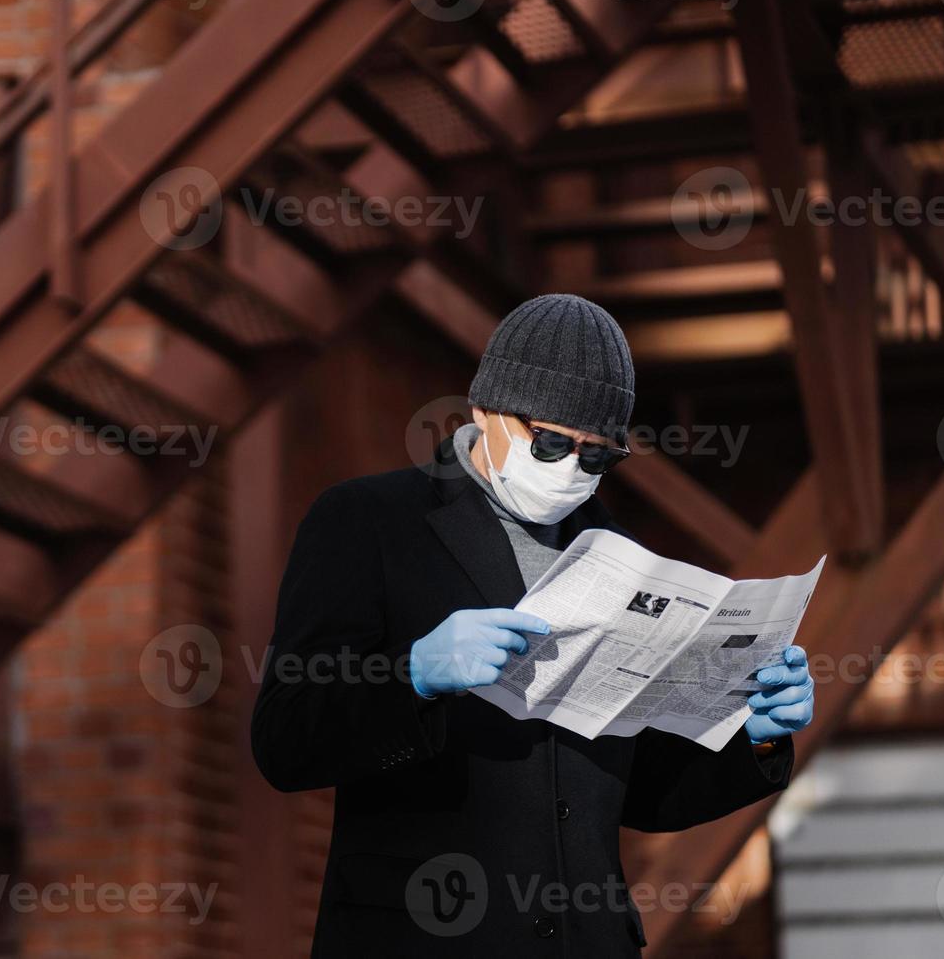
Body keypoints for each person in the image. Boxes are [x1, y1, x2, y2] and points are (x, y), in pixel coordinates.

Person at [251, 294, 815, 957]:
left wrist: (756, 738)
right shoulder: (368, 522)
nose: (571, 469)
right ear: (486, 407)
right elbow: (286, 741)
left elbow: (645, 795)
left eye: (596, 457)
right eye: (550, 442)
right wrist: (415, 676)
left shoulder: (621, 556)